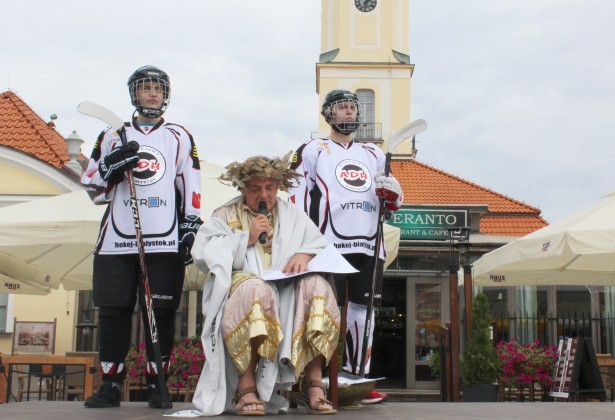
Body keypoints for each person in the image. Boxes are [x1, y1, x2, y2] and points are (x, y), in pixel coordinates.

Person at [81, 65, 203, 409]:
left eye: (158, 89)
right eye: (145, 88)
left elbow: (190, 182)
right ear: (133, 94)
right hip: (117, 238)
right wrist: (110, 169)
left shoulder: (179, 135)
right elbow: (92, 185)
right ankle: (110, 385)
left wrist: (190, 224)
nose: (152, 94)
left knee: (161, 312)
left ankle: (155, 384)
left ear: (166, 96)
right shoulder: (111, 135)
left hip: (163, 239)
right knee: (113, 310)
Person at [190, 154, 340, 416]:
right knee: (254, 289)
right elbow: (202, 253)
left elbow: (318, 244)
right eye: (255, 188)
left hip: (286, 289)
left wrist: (304, 255)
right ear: (243, 189)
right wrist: (244, 239)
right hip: (244, 287)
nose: (264, 195)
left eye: (269, 188)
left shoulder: (292, 214)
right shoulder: (224, 215)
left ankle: (313, 381)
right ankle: (246, 386)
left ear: (278, 188)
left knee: (318, 286)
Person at [288, 89, 403, 404]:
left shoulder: (374, 154)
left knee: (364, 314)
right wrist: (300, 242)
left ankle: (357, 378)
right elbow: (295, 197)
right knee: (323, 312)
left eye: (353, 108)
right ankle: (317, 379)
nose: (350, 113)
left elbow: (392, 198)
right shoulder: (312, 149)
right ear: (328, 114)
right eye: (342, 108)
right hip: (327, 244)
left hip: (369, 243)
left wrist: (393, 197)